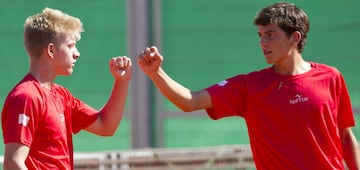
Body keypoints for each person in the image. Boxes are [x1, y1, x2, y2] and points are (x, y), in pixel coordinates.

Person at [137, 2, 360, 170]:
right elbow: (191, 101)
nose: (263, 42)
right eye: (260, 36)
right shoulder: (249, 86)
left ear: (295, 38)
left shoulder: (331, 77)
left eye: (270, 35)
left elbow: (345, 136)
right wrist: (156, 73)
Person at [1, 8, 132, 169]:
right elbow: (12, 162)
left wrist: (122, 81)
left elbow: (106, 126)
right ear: (51, 50)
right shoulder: (26, 97)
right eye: (71, 46)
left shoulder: (62, 96)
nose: (77, 54)